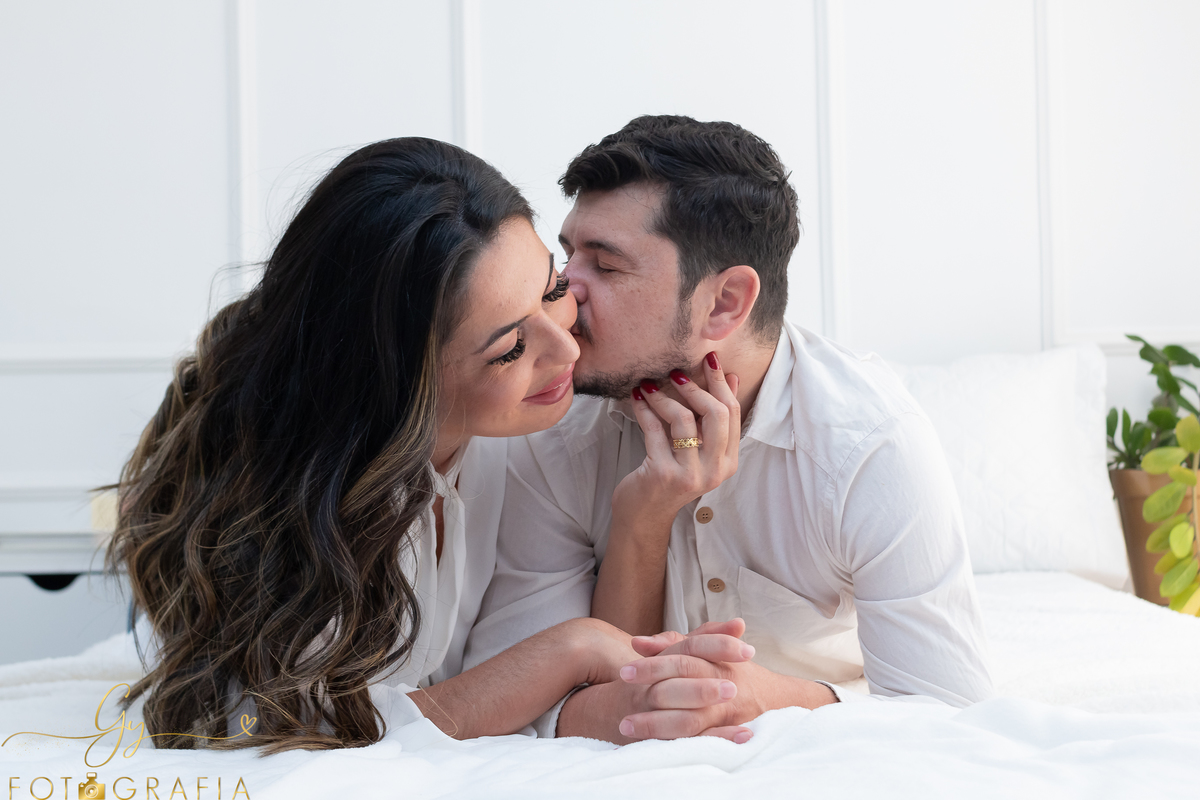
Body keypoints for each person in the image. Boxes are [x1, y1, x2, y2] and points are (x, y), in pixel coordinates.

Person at [107, 137, 752, 751]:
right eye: (508, 350)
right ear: (399, 380)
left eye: (554, 290)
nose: (567, 347)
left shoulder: (529, 443)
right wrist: (571, 647)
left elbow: (534, 696)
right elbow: (275, 728)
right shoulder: (291, 501)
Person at [464, 116, 995, 742]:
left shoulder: (868, 445)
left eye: (604, 267)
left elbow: (948, 715)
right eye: (569, 254)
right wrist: (642, 519)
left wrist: (768, 700)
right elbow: (521, 697)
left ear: (724, 304)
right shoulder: (550, 427)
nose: (562, 292)